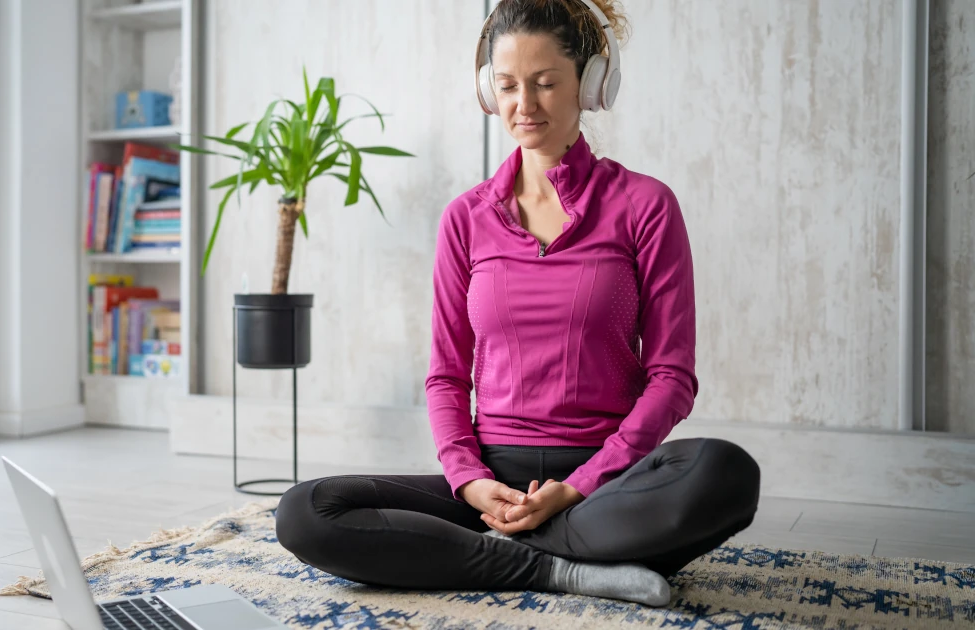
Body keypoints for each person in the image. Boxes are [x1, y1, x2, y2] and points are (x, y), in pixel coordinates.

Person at [275, 0, 760, 607]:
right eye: (507, 85)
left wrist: (579, 486)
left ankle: (492, 551)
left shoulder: (645, 205)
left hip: (605, 484)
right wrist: (472, 483)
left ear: (590, 84)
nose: (523, 105)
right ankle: (558, 568)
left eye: (545, 83)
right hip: (491, 481)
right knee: (306, 511)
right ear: (488, 90)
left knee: (726, 474)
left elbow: (672, 378)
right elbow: (447, 375)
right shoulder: (465, 218)